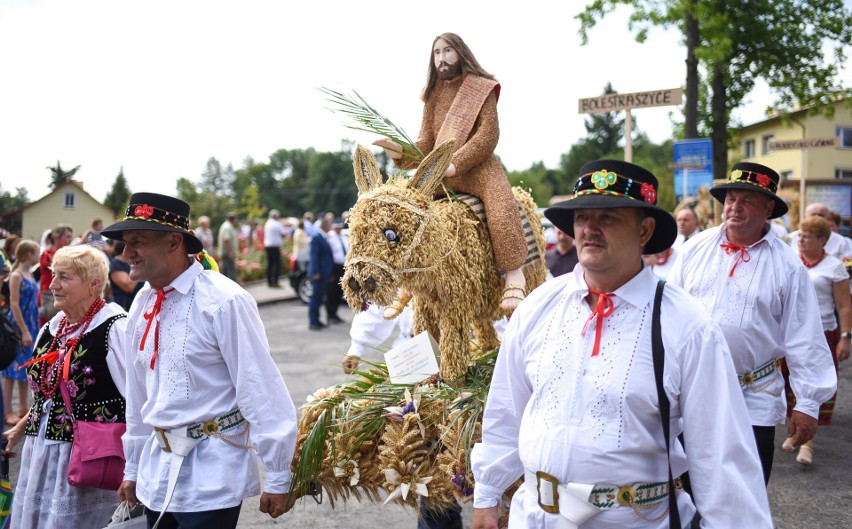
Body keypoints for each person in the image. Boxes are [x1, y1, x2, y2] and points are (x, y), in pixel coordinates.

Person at [470, 160, 772, 528]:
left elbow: (722, 454)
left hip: (630, 519)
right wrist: (487, 495)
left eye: (608, 217)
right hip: (534, 517)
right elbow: (506, 411)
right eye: (582, 217)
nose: (589, 229)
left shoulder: (686, 326)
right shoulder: (538, 306)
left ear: (644, 231)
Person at [101, 192, 298, 528]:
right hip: (156, 475)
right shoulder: (143, 302)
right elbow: (137, 395)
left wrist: (279, 475)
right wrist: (133, 467)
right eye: (124, 243)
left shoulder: (224, 301)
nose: (126, 253)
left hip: (211, 475)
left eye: (137, 241)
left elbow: (259, 387)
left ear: (174, 242)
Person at [668, 162, 837, 484]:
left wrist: (808, 403)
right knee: (687, 485)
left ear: (768, 208)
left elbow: (805, 335)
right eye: (731, 198)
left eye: (747, 200)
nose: (735, 207)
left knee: (747, 486)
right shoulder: (693, 250)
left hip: (754, 392)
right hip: (693, 389)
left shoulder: (788, 266)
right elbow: (669, 315)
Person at [376, 32, 529, 313]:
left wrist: (455, 162)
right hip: (440, 171)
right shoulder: (433, 94)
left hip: (477, 168)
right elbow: (426, 142)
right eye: (436, 53)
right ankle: (405, 280)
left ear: (461, 53)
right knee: (407, 206)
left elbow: (488, 134)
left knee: (501, 203)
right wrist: (399, 151)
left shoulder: (481, 88)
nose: (441, 58)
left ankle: (514, 272)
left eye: (447, 51)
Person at [3, 244, 128, 527]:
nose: (53, 285)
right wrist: (20, 429)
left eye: (64, 277)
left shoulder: (115, 327)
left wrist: (136, 468)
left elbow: (136, 400)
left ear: (93, 283)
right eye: (53, 275)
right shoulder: (53, 327)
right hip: (41, 452)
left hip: (87, 457)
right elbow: (45, 396)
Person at [780, 215, 851, 465]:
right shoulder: (790, 262)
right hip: (792, 334)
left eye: (807, 236)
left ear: (822, 240)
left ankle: (807, 444)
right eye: (799, 235)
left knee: (814, 384)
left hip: (824, 334)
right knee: (790, 384)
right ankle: (794, 432)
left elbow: (843, 305)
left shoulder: (834, 266)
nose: (801, 240)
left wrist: (846, 337)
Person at [2, 240, 39, 426]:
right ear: (29, 254)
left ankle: (23, 407)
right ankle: (7, 411)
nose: (39, 255)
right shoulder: (16, 275)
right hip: (19, 324)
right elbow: (14, 304)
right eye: (37, 252)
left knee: (26, 366)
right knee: (10, 369)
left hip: (30, 323)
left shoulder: (29, 274)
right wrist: (24, 331)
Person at [39, 224, 73, 324]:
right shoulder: (47, 254)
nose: (70, 239)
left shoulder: (64, 253)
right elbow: (60, 264)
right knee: (54, 322)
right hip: (49, 293)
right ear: (57, 238)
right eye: (67, 236)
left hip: (63, 291)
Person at [308, 216, 334, 330]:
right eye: (329, 224)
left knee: (319, 298)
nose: (331, 226)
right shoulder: (316, 237)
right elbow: (314, 256)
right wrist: (315, 272)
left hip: (324, 273)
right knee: (315, 298)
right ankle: (313, 322)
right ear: (325, 225)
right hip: (318, 274)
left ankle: (317, 320)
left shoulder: (323, 237)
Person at [108, 240, 143, 311]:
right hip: (126, 308)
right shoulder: (116, 264)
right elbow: (129, 287)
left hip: (140, 306)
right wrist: (138, 264)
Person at [325, 216, 348, 324]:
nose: (338, 229)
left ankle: (335, 313)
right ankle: (330, 315)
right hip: (334, 266)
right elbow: (328, 255)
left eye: (339, 227)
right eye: (336, 227)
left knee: (339, 292)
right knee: (331, 292)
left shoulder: (343, 236)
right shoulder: (329, 237)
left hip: (343, 267)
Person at [264, 209, 287, 288]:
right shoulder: (277, 224)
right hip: (274, 246)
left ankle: (269, 282)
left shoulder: (267, 223)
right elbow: (283, 234)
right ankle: (275, 282)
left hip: (268, 246)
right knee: (277, 264)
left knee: (270, 264)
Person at [218, 212, 239, 282]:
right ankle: (233, 288)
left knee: (225, 271)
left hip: (226, 253)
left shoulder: (227, 226)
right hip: (227, 253)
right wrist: (230, 253)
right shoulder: (227, 227)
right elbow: (227, 240)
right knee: (230, 271)